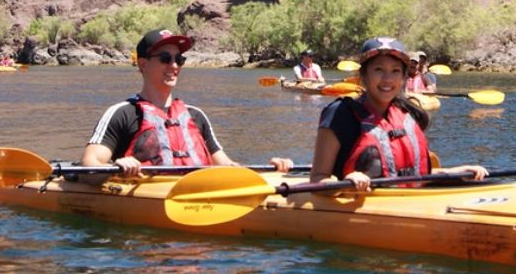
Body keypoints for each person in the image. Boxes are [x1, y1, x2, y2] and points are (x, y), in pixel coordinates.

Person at [82, 28, 294, 175]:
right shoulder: (122, 114)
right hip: (148, 200)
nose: (174, 65)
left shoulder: (196, 116)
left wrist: (269, 170)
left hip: (195, 198)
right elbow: (89, 163)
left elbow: (226, 166)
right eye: (165, 58)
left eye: (179, 59)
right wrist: (117, 165)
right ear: (143, 65)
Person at [310, 37, 487, 189]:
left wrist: (452, 173)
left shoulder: (409, 113)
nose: (387, 79)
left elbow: (413, 174)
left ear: (403, 77)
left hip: (409, 202)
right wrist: (345, 184)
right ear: (364, 75)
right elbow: (317, 179)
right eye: (379, 70)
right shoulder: (340, 114)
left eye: (395, 71)